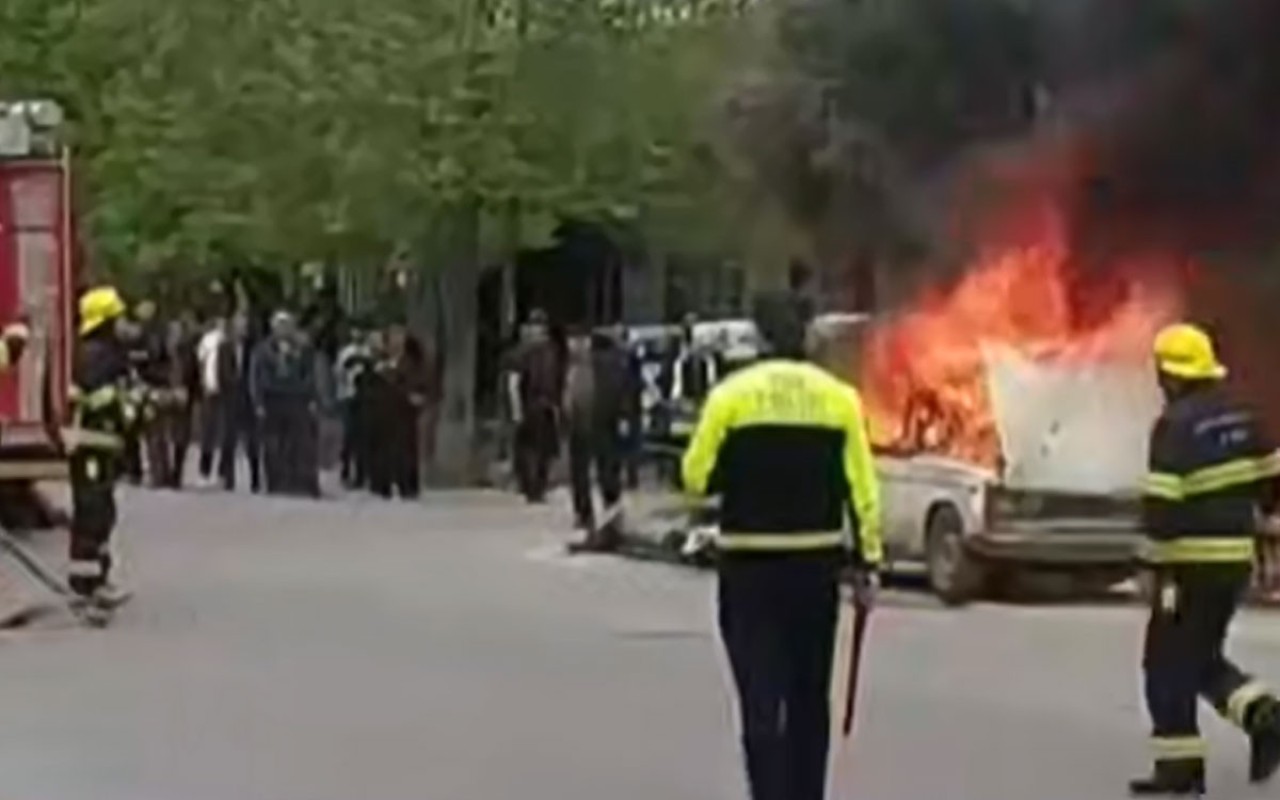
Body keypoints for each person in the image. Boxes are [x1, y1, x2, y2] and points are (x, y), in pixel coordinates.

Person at [681, 291, 881, 800]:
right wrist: (869, 561)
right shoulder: (841, 400)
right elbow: (864, 491)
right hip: (815, 571)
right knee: (809, 696)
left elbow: (695, 476)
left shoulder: (730, 397)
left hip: (749, 569)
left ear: (759, 337)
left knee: (760, 698)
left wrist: (733, 477)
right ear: (807, 337)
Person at [1130, 323, 1280, 796]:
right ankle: (1261, 714)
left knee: (1164, 664)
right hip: (1233, 564)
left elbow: (1161, 508)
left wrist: (1150, 567)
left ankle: (1180, 770)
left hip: (1185, 568)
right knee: (1199, 657)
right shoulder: (1244, 418)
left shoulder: (1174, 427)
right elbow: (1272, 483)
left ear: (1171, 376)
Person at [65, 286, 135, 623]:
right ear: (106, 321)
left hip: (102, 445)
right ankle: (84, 587)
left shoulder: (107, 354)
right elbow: (92, 399)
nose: (124, 323)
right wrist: (128, 404)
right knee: (92, 514)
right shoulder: (94, 355)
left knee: (103, 512)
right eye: (118, 317)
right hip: (89, 446)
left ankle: (98, 580)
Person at [564, 324, 635, 552]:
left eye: (579, 341)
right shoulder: (570, 365)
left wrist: (623, 415)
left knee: (608, 471)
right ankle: (584, 514)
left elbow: (622, 389)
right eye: (571, 341)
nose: (574, 346)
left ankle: (612, 515)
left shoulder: (605, 363)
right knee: (579, 474)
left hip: (602, 423)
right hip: (578, 426)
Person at [250, 311, 318, 496]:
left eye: (287, 325)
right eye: (280, 325)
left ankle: (295, 481)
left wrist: (310, 396)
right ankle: (274, 481)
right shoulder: (262, 350)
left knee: (296, 441)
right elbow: (255, 377)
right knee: (272, 442)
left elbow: (309, 374)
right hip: (272, 398)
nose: (283, 329)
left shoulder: (302, 349)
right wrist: (258, 402)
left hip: (295, 398)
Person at [510, 309, 561, 503]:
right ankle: (535, 487)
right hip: (540, 404)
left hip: (535, 404)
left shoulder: (524, 351)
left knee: (532, 449)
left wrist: (516, 409)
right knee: (538, 450)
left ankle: (532, 487)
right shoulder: (549, 351)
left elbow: (514, 382)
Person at [217, 312, 261, 492]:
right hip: (231, 397)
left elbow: (255, 372)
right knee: (229, 439)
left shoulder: (253, 348)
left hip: (249, 397)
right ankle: (228, 478)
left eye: (244, 326)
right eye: (238, 326)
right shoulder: (224, 347)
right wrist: (230, 386)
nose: (242, 330)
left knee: (253, 441)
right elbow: (221, 372)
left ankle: (256, 479)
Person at [336, 325, 372, 487]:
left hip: (364, 399)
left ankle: (361, 474)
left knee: (363, 438)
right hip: (348, 397)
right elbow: (339, 373)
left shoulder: (368, 352)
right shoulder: (346, 353)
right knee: (348, 437)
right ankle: (345, 470)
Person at [196, 315, 228, 486]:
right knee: (209, 433)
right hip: (210, 389)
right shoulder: (207, 341)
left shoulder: (226, 343)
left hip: (219, 390)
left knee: (219, 433)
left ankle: (219, 472)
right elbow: (201, 363)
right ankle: (206, 470)